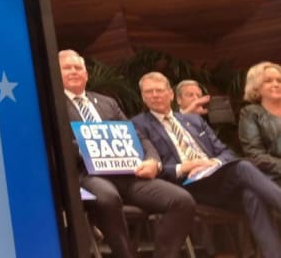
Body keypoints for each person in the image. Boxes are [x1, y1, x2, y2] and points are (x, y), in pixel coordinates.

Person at [57, 51, 193, 258]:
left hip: (129, 173)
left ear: (86, 75)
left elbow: (138, 136)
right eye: (68, 68)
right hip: (88, 175)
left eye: (78, 68)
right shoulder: (53, 105)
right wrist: (92, 145)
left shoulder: (107, 102)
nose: (74, 71)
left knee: (182, 201)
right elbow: (55, 144)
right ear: (56, 73)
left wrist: (152, 161)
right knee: (108, 198)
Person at [132, 71, 281, 257]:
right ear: (143, 97)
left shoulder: (194, 121)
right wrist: (183, 168)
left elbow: (226, 152)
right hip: (184, 184)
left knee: (251, 195)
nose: (155, 95)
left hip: (215, 177)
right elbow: (147, 166)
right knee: (243, 167)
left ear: (170, 94)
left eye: (159, 90)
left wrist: (214, 161)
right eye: (149, 92)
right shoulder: (137, 125)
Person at [238, 61, 281, 185]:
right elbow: (255, 154)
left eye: (279, 80)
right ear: (256, 87)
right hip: (273, 176)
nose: (276, 84)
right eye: (268, 81)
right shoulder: (250, 113)